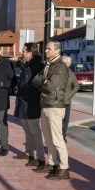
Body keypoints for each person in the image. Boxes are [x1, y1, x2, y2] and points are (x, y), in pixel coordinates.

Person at [31, 41, 70, 180]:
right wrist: (44, 82)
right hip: (46, 105)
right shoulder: (48, 65)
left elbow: (50, 87)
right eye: (46, 48)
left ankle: (64, 169)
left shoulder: (60, 67)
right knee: (47, 138)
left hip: (55, 106)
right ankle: (53, 164)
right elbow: (35, 81)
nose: (46, 51)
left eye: (48, 49)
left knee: (58, 139)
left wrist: (44, 84)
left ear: (57, 51)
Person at [13, 42, 45, 167]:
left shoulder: (37, 66)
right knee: (27, 129)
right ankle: (29, 153)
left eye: (24, 51)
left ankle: (40, 158)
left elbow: (37, 85)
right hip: (23, 102)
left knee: (35, 131)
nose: (22, 53)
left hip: (32, 103)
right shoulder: (26, 65)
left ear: (30, 53)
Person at [61, 56, 79, 143]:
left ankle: (63, 135)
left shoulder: (71, 74)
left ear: (68, 64)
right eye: (62, 63)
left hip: (66, 101)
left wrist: (70, 95)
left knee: (65, 119)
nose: (63, 65)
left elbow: (76, 86)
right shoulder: (55, 73)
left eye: (65, 63)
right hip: (55, 101)